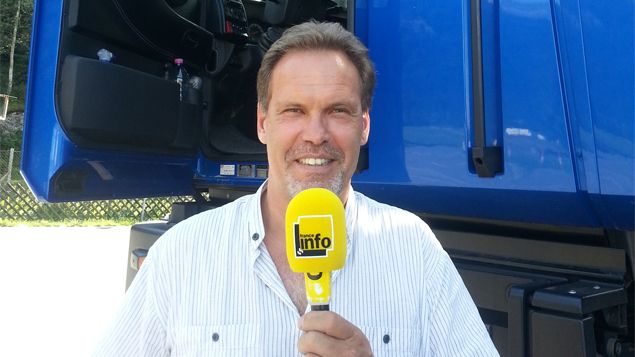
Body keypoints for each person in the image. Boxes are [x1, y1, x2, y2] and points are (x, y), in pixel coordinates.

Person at [94, 21, 499, 356]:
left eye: (338, 111)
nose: (316, 134)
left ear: (364, 127)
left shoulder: (413, 250)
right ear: (263, 123)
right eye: (294, 111)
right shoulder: (182, 254)